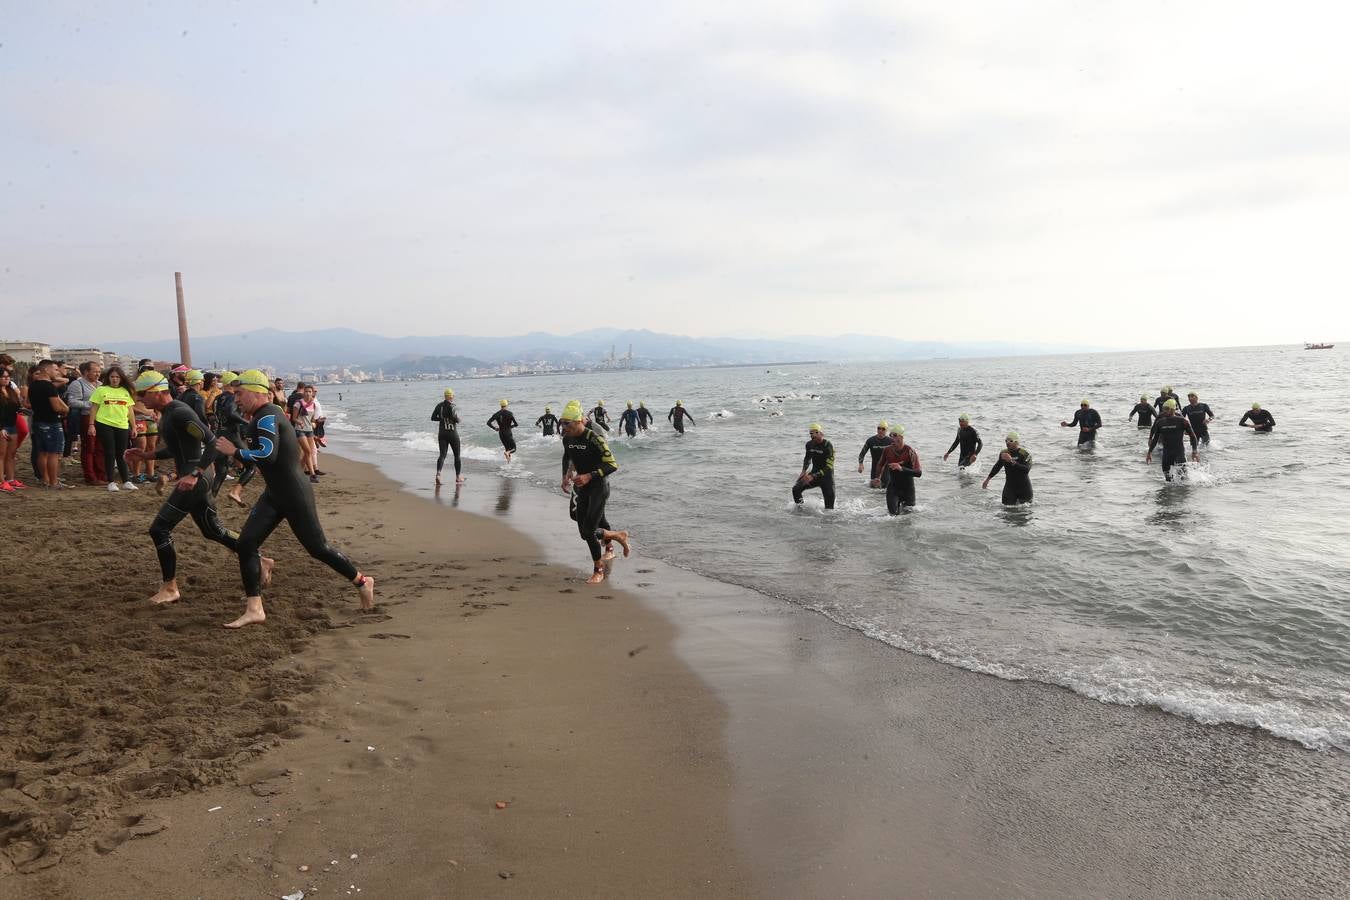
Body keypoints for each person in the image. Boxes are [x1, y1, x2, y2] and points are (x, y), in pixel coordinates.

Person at [213, 370, 374, 629]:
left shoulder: (267, 417)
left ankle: (362, 582)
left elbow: (268, 456)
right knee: (245, 544)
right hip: (275, 493)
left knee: (318, 548)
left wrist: (236, 451)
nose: (236, 399)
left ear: (257, 393)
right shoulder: (259, 416)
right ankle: (254, 608)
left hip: (294, 494)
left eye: (240, 394)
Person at [124, 370, 260, 605]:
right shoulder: (167, 413)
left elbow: (211, 442)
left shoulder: (179, 412)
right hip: (196, 475)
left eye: (143, 394)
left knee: (159, 529)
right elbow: (177, 449)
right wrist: (146, 454)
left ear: (158, 392)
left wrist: (195, 474)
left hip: (197, 477)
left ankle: (170, 588)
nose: (140, 400)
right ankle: (259, 558)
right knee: (212, 530)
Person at [558, 400, 629, 584]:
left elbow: (612, 465)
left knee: (589, 531)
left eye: (567, 423)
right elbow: (570, 456)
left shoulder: (594, 438)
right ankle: (616, 535)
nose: (564, 427)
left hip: (598, 487)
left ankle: (598, 571)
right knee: (584, 532)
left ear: (579, 421)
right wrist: (566, 476)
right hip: (582, 488)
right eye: (562, 423)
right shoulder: (567, 438)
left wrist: (589, 476)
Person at [89, 365, 137, 490]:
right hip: (104, 423)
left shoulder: (125, 391)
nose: (114, 379)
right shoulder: (101, 390)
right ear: (108, 378)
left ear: (121, 378)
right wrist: (91, 425)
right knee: (110, 452)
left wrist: (134, 427)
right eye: (112, 377)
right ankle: (111, 482)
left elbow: (130, 410)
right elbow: (94, 408)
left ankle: (126, 480)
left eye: (117, 377)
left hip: (122, 425)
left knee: (122, 453)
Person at [26, 360, 69, 488]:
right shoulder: (48, 386)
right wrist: (66, 409)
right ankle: (53, 481)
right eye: (55, 370)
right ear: (47, 370)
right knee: (53, 453)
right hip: (51, 422)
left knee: (42, 452)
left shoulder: (33, 385)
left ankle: (45, 479)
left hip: (38, 421)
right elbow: (56, 407)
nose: (57, 372)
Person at [65, 360, 105, 484]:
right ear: (86, 372)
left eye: (99, 372)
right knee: (89, 447)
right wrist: (92, 404)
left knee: (100, 447)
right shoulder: (78, 384)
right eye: (95, 372)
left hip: (102, 418)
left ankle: (101, 474)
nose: (98, 374)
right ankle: (90, 475)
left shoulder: (100, 384)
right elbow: (72, 402)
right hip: (86, 418)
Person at [1147, 399, 1200, 482]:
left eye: (1167, 409)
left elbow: (1193, 437)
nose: (1164, 411)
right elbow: (1155, 438)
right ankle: (1169, 493)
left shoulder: (1182, 421)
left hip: (1179, 452)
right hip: (1167, 453)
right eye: (1164, 409)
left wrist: (1194, 451)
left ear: (1172, 409)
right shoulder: (1160, 422)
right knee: (1168, 479)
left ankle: (1183, 493)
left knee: (1183, 478)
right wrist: (1149, 452)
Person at [875, 425, 921, 513]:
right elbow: (880, 464)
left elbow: (919, 473)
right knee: (892, 517)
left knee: (907, 519)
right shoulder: (887, 450)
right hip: (893, 488)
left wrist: (901, 468)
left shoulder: (910, 451)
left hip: (908, 490)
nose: (892, 438)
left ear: (901, 437)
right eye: (890, 435)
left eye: (895, 435)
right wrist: (878, 477)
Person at [792, 423, 835, 509]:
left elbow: (829, 466)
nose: (813, 435)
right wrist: (803, 471)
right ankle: (800, 511)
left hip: (826, 477)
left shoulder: (828, 445)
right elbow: (807, 458)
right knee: (796, 489)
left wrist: (813, 475)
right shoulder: (809, 445)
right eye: (811, 433)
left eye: (815, 432)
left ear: (821, 433)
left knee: (829, 510)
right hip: (813, 475)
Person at [982, 432, 1033, 505]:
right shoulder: (1003, 453)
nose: (1008, 443)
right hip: (1010, 487)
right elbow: (997, 466)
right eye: (1006, 441)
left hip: (1024, 488)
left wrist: (1011, 461)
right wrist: (987, 479)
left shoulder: (1024, 454)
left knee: (1024, 512)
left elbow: (1026, 470)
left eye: (1010, 441)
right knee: (1006, 511)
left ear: (1017, 442)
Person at [431, 388, 463, 485]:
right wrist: (458, 420)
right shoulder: (452, 406)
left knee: (442, 455)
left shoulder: (439, 406)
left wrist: (441, 419)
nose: (453, 397)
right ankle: (458, 477)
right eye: (452, 395)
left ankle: (438, 474)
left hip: (442, 433)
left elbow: (433, 418)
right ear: (450, 396)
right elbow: (454, 418)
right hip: (452, 433)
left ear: (445, 396)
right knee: (457, 455)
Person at [289, 384, 320, 482]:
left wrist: (314, 423)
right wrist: (299, 422)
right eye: (306, 391)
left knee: (307, 453)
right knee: (308, 452)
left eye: (309, 392)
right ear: (303, 393)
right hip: (300, 430)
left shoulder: (314, 404)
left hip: (309, 431)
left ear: (312, 393)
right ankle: (312, 475)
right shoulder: (298, 403)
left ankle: (298, 472)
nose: (307, 393)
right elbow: (293, 418)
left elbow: (312, 419)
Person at [0, 368, 22, 491]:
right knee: (1, 455)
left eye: (8, 376)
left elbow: (17, 407)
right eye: (3, 376)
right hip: (2, 427)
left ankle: (10, 479)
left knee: (11, 454)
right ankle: (2, 481)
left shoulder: (11, 390)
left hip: (12, 425)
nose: (6, 378)